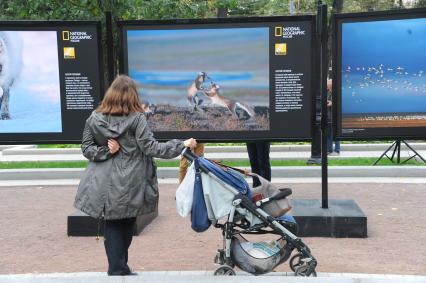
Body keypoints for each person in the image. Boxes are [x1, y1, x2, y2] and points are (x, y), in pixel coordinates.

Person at [74, 75, 197, 276]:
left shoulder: (95, 117)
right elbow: (151, 147)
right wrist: (181, 144)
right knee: (126, 222)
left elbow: (86, 148)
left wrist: (106, 151)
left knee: (113, 222)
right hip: (131, 180)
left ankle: (118, 266)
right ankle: (118, 267)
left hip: (103, 181)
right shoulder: (137, 119)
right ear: (132, 96)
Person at [327, 79, 340, 155]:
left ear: (331, 85)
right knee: (328, 134)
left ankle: (337, 150)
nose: (327, 86)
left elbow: (339, 102)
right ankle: (329, 150)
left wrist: (332, 103)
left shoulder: (337, 92)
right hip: (328, 117)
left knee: (336, 135)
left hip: (335, 117)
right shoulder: (328, 92)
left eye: (328, 85)